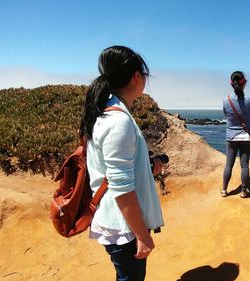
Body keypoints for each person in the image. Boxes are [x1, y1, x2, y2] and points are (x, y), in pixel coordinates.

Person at [79, 46, 165, 280]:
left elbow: (114, 170)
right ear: (137, 77)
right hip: (124, 226)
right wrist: (142, 235)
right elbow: (121, 187)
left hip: (119, 221)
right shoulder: (119, 121)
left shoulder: (107, 113)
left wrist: (148, 168)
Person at [221, 71, 250, 198]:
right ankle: (243, 191)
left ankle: (224, 190)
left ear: (231, 83)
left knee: (228, 164)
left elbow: (226, 115)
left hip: (231, 136)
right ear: (244, 83)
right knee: (245, 165)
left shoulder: (226, 100)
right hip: (246, 137)